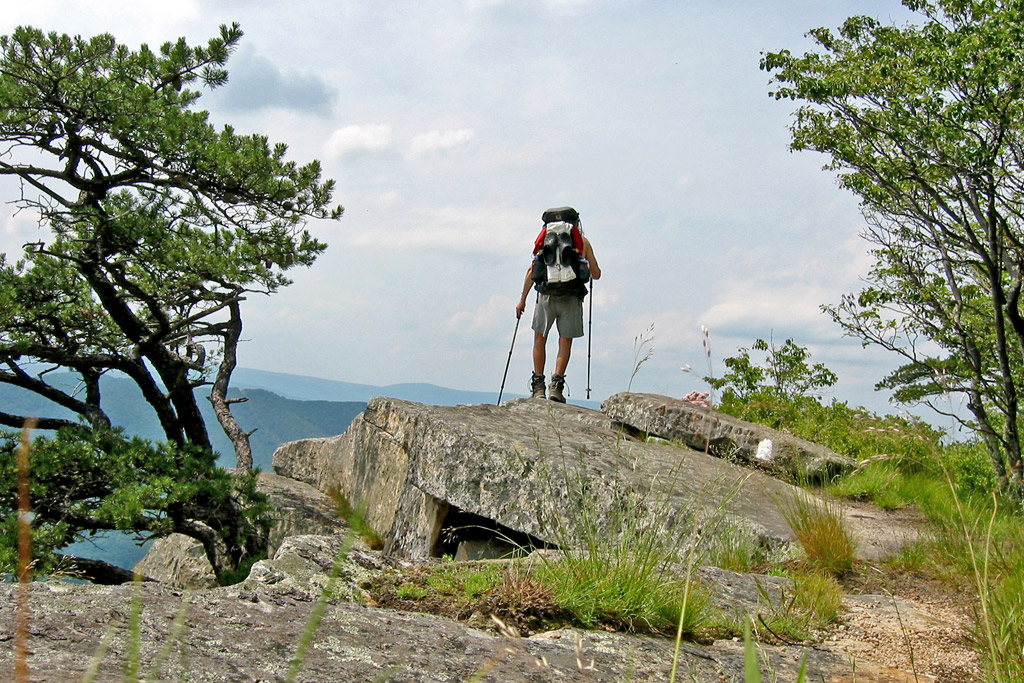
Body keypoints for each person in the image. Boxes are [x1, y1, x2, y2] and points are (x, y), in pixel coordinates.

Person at [515, 210, 601, 402]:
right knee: (565, 341)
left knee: (539, 338)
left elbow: (532, 270)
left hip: (546, 296)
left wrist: (523, 299)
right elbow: (596, 274)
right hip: (571, 298)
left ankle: (538, 387)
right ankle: (556, 386)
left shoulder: (545, 241)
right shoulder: (583, 243)